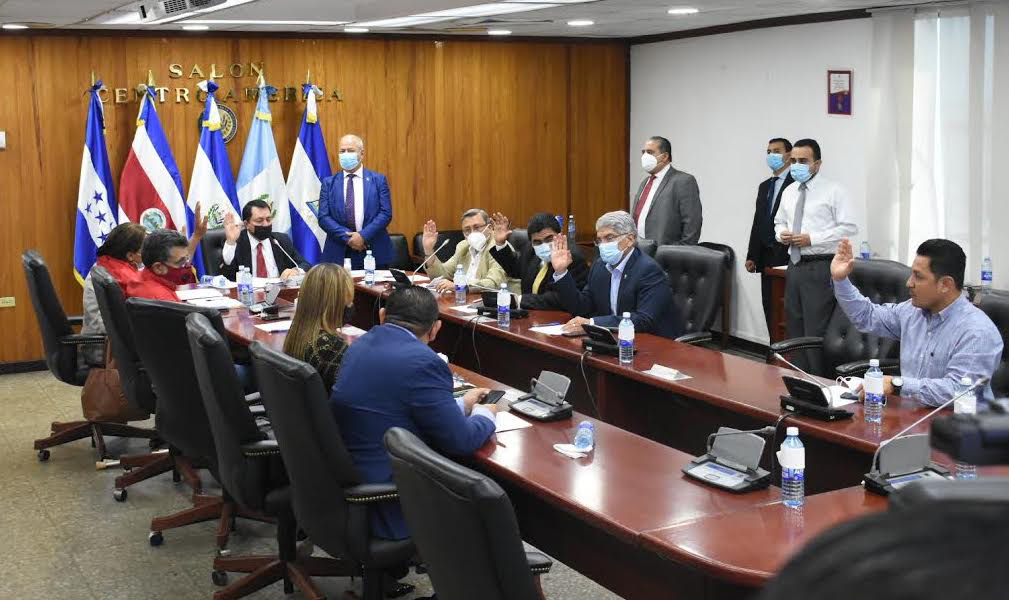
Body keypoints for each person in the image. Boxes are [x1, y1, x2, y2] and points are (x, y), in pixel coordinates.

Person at [329, 286, 498, 541]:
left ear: (382, 316)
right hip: (391, 503)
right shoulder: (424, 362)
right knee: (490, 497)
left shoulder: (360, 344)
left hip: (346, 486)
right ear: (435, 329)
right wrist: (485, 414)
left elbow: (396, 405)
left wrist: (461, 405)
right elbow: (461, 440)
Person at [831, 238, 1003, 406]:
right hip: (912, 415)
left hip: (959, 422)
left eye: (918, 277)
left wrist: (897, 384)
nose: (909, 283)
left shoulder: (977, 332)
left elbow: (957, 391)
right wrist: (840, 280)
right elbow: (867, 316)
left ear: (945, 284)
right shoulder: (912, 312)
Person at [774, 138, 858, 373]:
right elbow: (779, 221)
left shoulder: (834, 191)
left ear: (817, 164)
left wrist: (813, 238)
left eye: (803, 161)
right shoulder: (789, 191)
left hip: (820, 266)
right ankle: (799, 378)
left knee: (815, 328)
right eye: (793, 161)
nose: (797, 166)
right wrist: (782, 234)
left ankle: (820, 379)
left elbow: (849, 226)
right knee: (794, 325)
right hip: (795, 265)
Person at [552, 211, 683, 339]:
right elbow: (582, 308)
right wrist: (561, 272)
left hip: (655, 342)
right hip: (615, 339)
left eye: (609, 238)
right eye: (599, 240)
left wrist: (593, 323)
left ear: (630, 239)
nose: (603, 245)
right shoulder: (600, 266)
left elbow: (644, 320)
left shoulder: (648, 270)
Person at [83, 203, 209, 333]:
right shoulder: (120, 279)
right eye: (144, 248)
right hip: (102, 341)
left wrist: (187, 243)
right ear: (130, 255)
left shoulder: (114, 265)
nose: (149, 251)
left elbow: (178, 263)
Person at [316, 134, 393, 269]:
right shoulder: (329, 183)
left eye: (350, 150)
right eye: (342, 151)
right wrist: (350, 238)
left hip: (372, 249)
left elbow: (385, 213)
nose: (345, 154)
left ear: (361, 154)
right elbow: (323, 217)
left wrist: (363, 236)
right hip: (339, 251)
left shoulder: (378, 180)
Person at [488, 212, 589, 310]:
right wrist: (500, 244)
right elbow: (515, 269)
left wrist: (520, 300)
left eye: (549, 239)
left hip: (558, 317)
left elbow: (558, 299)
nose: (543, 245)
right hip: (530, 314)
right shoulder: (531, 250)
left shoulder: (573, 258)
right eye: (537, 242)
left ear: (560, 235)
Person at [745, 138, 795, 335]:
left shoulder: (796, 184)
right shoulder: (765, 186)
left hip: (787, 255)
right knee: (770, 305)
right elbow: (758, 221)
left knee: (787, 309)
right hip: (766, 256)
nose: (771, 155)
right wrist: (752, 255)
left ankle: (786, 349)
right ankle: (773, 346)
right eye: (768, 152)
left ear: (789, 155)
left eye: (776, 151)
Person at [282, 264, 355, 392]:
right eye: (348, 300)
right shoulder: (331, 347)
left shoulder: (298, 332)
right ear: (334, 304)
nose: (351, 305)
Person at [631, 135, 702, 245]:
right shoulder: (645, 182)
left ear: (664, 156)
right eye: (643, 152)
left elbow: (692, 223)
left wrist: (681, 251)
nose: (645, 156)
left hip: (666, 252)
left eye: (650, 152)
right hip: (640, 249)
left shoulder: (683, 181)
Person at [221, 199, 309, 281]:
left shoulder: (281, 240)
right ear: (246, 224)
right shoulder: (236, 242)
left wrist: (296, 271)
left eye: (268, 219)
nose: (265, 224)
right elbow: (227, 275)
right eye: (259, 221)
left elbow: (305, 265)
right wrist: (231, 242)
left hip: (279, 291)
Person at [422, 208, 507, 293]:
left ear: (490, 227)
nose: (472, 233)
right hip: (465, 298)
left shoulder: (498, 247)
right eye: (467, 230)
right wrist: (429, 250)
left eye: (477, 227)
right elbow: (440, 275)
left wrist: (460, 286)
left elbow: (493, 283)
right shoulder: (463, 246)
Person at [123, 228, 195, 301]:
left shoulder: (139, 277)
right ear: (158, 268)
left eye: (186, 259)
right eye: (180, 262)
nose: (186, 266)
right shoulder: (164, 300)